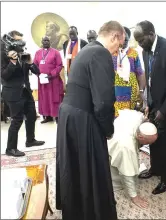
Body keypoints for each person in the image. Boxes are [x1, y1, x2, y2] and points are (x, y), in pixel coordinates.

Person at [56, 21, 125, 220]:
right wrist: (107, 129)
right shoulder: (100, 53)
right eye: (119, 45)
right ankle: (91, 211)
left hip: (69, 113)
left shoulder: (87, 50)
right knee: (91, 167)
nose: (116, 51)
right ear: (114, 37)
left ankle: (76, 207)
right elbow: (103, 101)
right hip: (82, 118)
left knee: (75, 166)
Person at [133, 21, 166, 194]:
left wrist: (164, 110)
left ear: (151, 34)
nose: (139, 44)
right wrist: (148, 103)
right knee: (152, 139)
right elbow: (149, 81)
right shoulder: (146, 51)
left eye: (141, 40)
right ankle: (154, 169)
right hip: (155, 105)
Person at [1, 30, 45, 157]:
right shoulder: (3, 55)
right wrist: (12, 62)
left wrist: (31, 62)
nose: (21, 43)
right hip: (13, 93)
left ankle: (30, 140)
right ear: (11, 41)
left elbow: (37, 71)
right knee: (17, 120)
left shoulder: (23, 53)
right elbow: (4, 76)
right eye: (18, 40)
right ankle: (10, 148)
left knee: (31, 116)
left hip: (26, 91)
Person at [108, 109, 157, 209]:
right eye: (147, 142)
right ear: (140, 136)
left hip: (116, 135)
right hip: (114, 145)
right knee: (122, 168)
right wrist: (134, 196)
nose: (149, 145)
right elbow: (127, 174)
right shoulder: (127, 146)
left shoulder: (139, 118)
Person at [112, 26, 146, 117]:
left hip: (131, 93)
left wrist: (141, 92)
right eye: (122, 39)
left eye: (126, 39)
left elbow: (140, 73)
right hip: (115, 94)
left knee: (129, 121)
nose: (124, 41)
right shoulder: (111, 53)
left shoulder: (134, 53)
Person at [34, 36, 64, 124]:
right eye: (44, 40)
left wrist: (51, 75)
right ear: (42, 42)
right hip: (43, 81)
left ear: (50, 42)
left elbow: (59, 65)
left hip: (53, 81)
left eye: (47, 40)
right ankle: (48, 116)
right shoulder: (38, 53)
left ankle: (58, 116)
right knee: (45, 98)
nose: (46, 42)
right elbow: (35, 65)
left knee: (55, 98)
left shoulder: (56, 52)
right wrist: (38, 74)